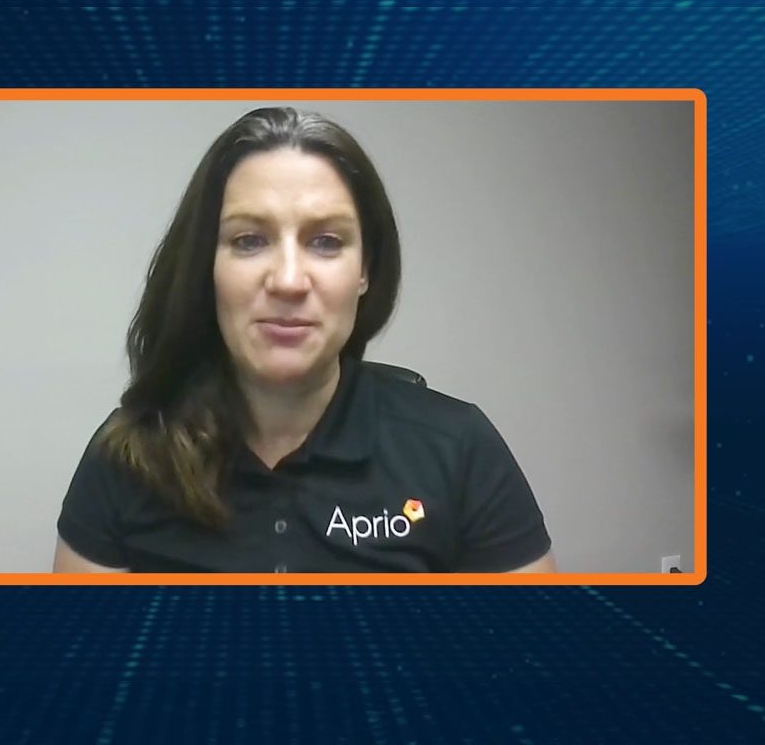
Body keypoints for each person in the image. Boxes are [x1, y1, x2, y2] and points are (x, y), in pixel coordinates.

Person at [54, 107, 555, 573]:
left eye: (326, 242)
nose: (289, 280)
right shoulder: (127, 455)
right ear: (207, 266)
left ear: (365, 271)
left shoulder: (459, 450)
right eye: (249, 240)